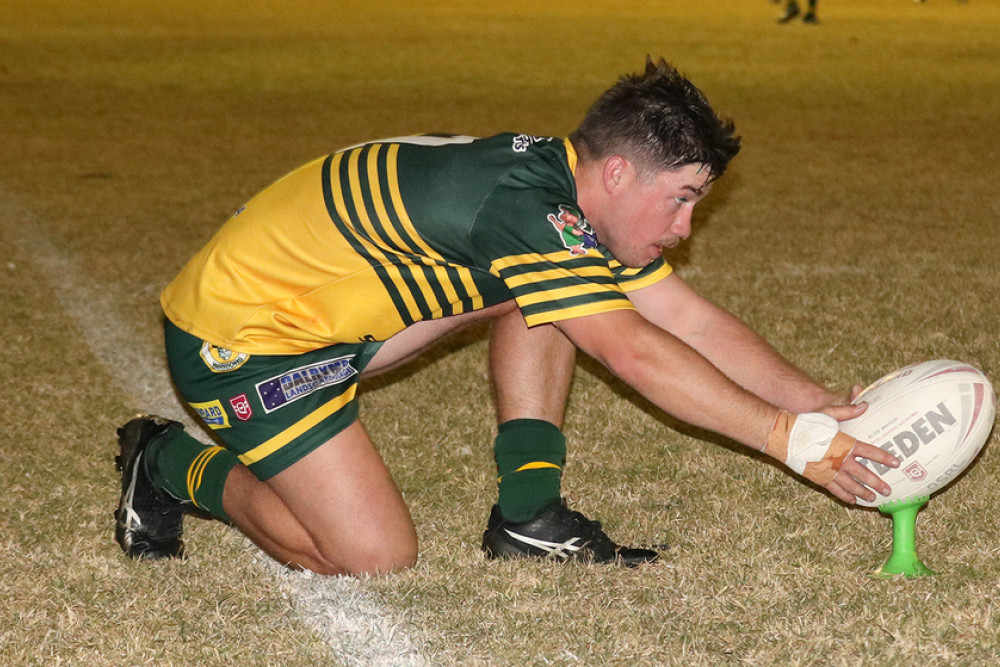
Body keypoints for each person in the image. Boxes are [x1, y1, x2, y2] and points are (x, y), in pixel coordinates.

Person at [114, 57, 899, 575]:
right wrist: (793, 443)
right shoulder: (529, 210)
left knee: (564, 296)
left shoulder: (566, 197)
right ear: (620, 172)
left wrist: (819, 404)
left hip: (334, 326)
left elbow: (686, 319)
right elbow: (639, 353)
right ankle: (166, 462)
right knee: (371, 557)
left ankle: (527, 513)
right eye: (683, 199)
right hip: (244, 344)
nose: (685, 228)